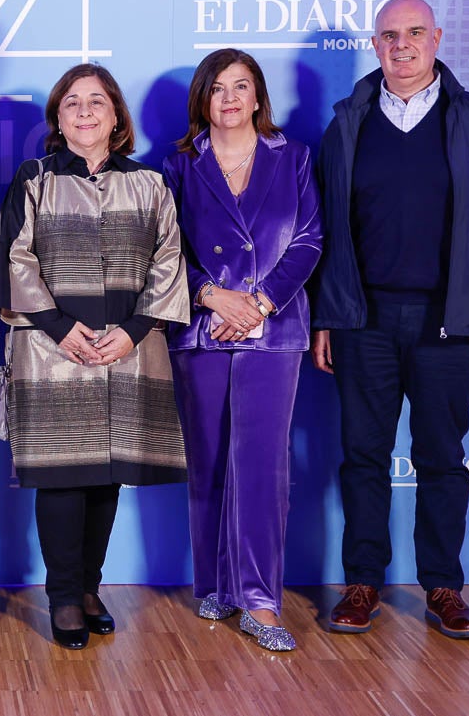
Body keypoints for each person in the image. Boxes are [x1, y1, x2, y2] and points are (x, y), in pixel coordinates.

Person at [312, 0, 469, 639]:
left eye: (415, 33)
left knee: (441, 459)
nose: (402, 46)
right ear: (375, 44)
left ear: (437, 38)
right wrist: (327, 317)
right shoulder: (348, 122)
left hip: (451, 320)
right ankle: (363, 583)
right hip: (364, 320)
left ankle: (443, 587)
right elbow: (327, 232)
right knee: (363, 457)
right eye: (389, 36)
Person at [0, 62, 190, 649]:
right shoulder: (33, 180)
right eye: (73, 102)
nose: (85, 111)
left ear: (116, 118)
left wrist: (134, 330)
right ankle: (62, 599)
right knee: (63, 476)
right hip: (53, 351)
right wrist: (60, 328)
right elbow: (15, 260)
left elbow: (168, 262)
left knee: (106, 475)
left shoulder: (151, 184)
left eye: (97, 102)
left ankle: (88, 588)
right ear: (58, 117)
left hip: (125, 351)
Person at [162, 49, 322, 652]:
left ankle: (260, 598)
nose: (229, 98)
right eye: (217, 89)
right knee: (208, 457)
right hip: (202, 329)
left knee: (262, 464)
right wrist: (210, 296)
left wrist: (256, 304)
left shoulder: (296, 157)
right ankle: (216, 583)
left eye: (241, 87)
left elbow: (308, 239)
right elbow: (164, 246)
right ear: (203, 100)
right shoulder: (179, 166)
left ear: (258, 98)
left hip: (272, 329)